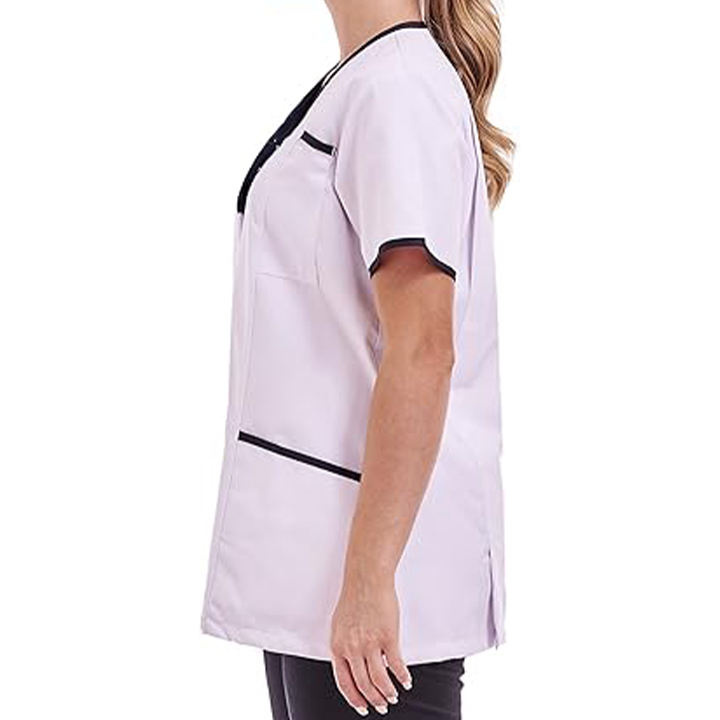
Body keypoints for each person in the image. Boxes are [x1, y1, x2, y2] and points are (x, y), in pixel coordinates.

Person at [201, 1, 513, 717]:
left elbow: (424, 348)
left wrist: (371, 580)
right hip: (324, 576)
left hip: (379, 593)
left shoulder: (398, 87)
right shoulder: (370, 79)